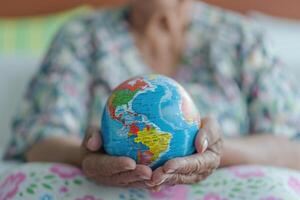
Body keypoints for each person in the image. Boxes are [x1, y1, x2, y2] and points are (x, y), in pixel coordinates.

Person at [3, 0, 300, 198]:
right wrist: (86, 154)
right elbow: (37, 140)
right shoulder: (81, 36)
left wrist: (218, 152)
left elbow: (292, 148)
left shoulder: (242, 37)